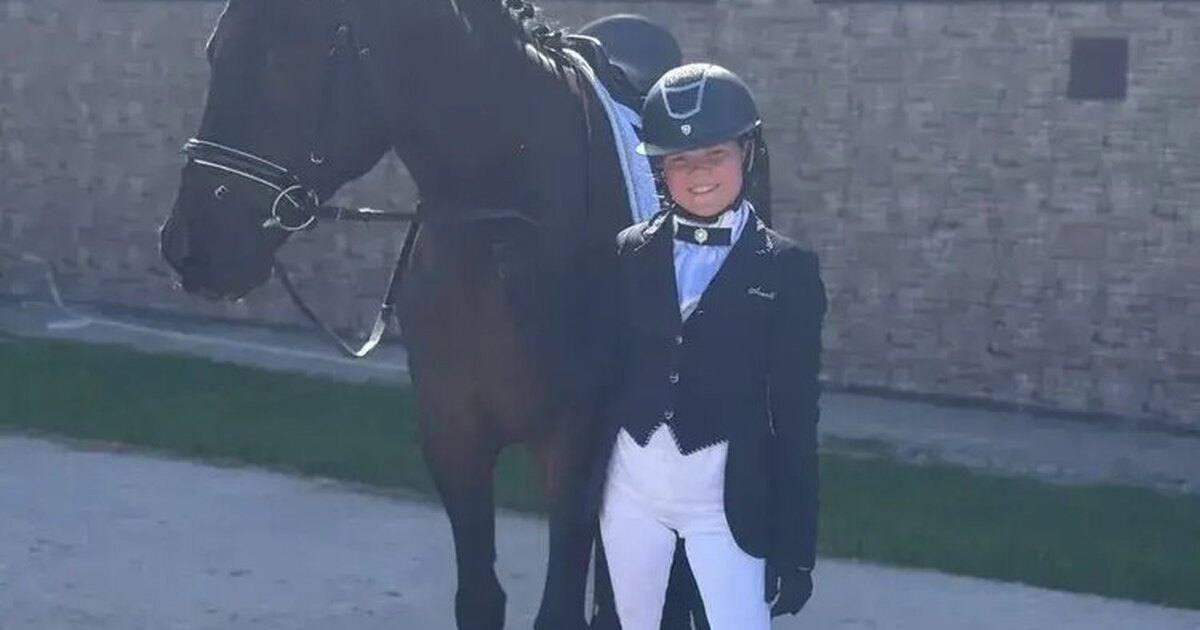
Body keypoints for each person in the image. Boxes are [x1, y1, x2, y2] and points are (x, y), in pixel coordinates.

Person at [589, 62, 826, 630]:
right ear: (661, 169)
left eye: (714, 155)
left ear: (746, 153)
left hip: (724, 498)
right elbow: (606, 374)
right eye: (680, 161)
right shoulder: (630, 251)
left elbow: (796, 414)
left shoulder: (787, 269)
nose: (698, 173)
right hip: (631, 487)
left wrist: (795, 546)